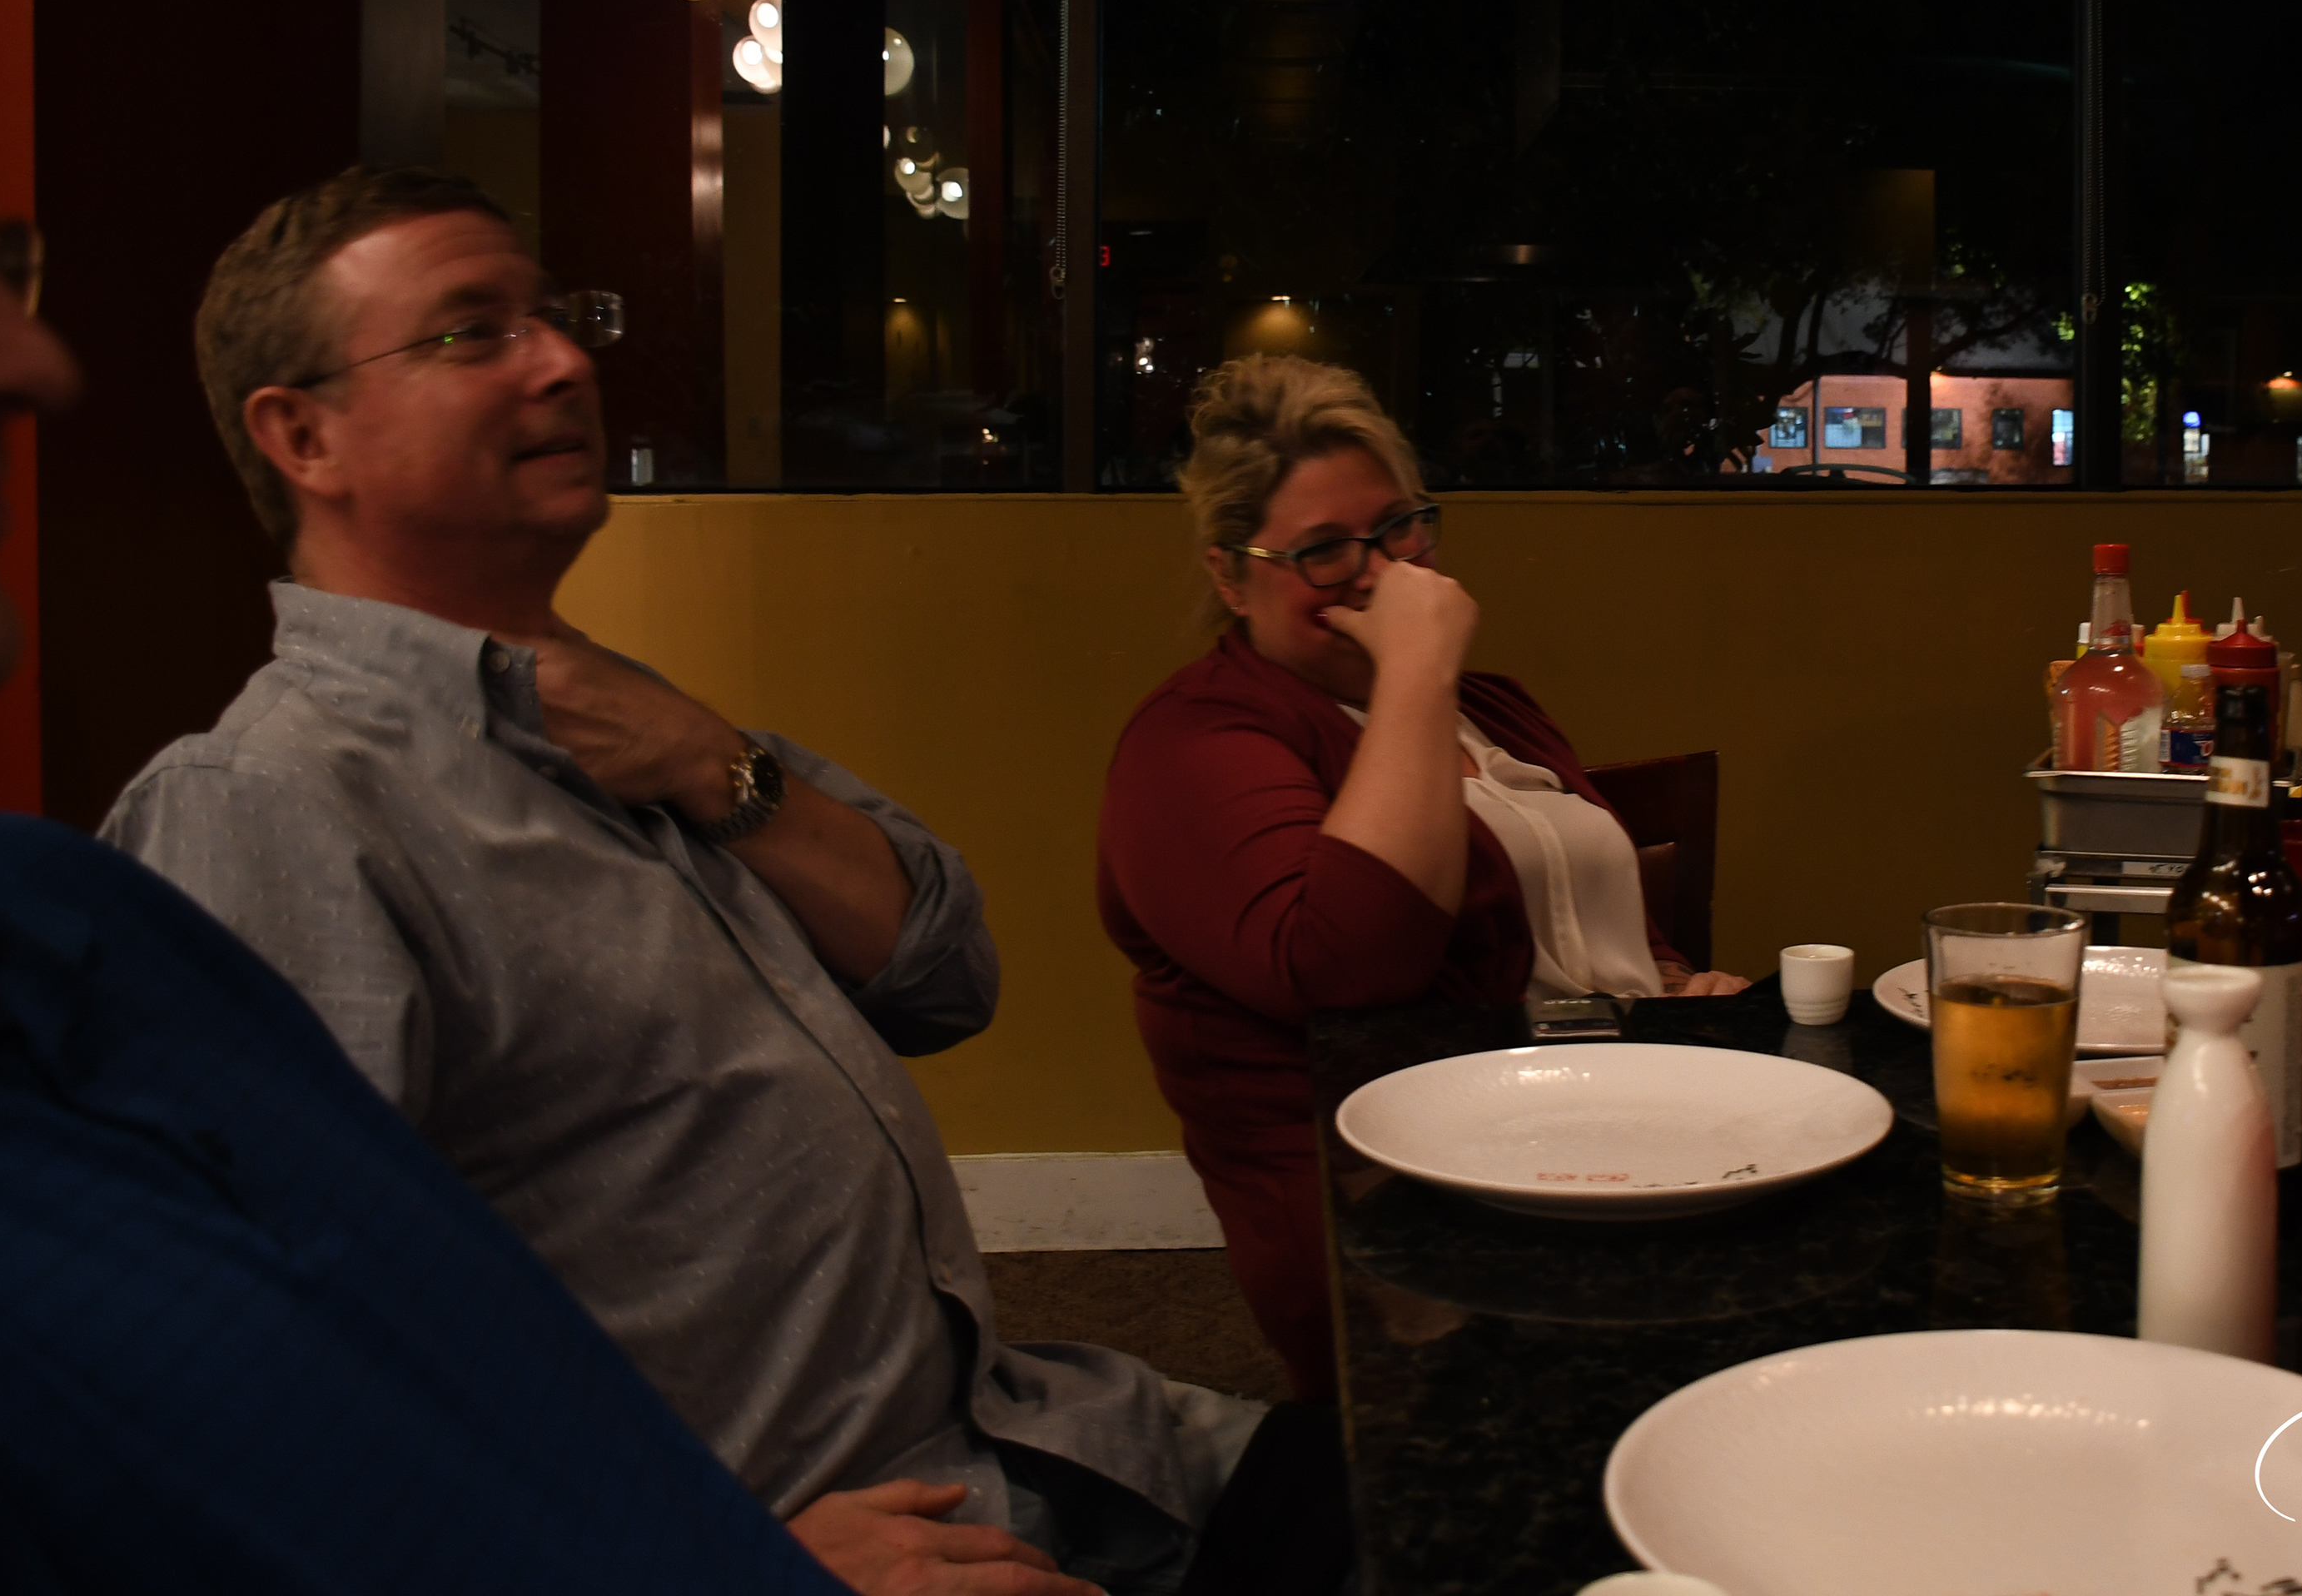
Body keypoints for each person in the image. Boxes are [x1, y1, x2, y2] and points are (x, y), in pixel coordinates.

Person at [99, 167, 1236, 1594]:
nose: (564, 363)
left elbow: (945, 971)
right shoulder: (271, 805)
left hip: (1046, 1441)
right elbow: (251, 1409)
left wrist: (716, 764)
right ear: (303, 435)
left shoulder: (614, 709)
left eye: (554, 317)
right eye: (472, 331)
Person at [1097, 355, 1745, 1399]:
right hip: (1399, 1219)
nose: (1381, 574)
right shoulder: (1193, 740)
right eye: (1323, 551)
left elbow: (1581, 903)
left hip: (1600, 1134)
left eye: (1401, 527)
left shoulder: (1493, 707)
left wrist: (1673, 984)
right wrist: (1414, 668)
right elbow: (1351, 969)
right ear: (1229, 575)